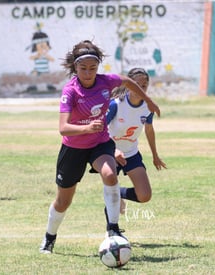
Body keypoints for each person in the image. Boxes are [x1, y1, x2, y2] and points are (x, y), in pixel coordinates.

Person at [39, 40, 160, 254]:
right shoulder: (70, 91)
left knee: (110, 174)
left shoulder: (106, 82)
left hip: (100, 143)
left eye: (93, 68)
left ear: (98, 67)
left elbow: (128, 82)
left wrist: (148, 101)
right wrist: (86, 128)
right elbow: (63, 128)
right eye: (83, 68)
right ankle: (49, 237)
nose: (88, 73)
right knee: (63, 201)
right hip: (73, 148)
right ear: (75, 67)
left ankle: (113, 229)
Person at [106, 68, 167, 215]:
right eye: (136, 84)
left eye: (144, 85)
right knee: (111, 195)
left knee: (144, 195)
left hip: (131, 153)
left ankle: (119, 193)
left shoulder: (148, 107)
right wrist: (113, 150)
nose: (141, 88)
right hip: (109, 153)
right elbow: (101, 130)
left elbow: (149, 130)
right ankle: (112, 230)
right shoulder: (116, 105)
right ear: (128, 85)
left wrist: (155, 156)